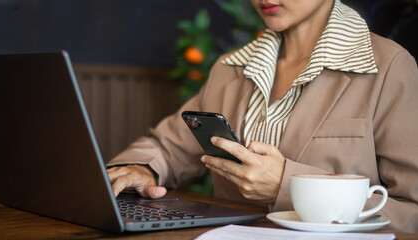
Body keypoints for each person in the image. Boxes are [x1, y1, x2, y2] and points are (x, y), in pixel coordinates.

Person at [106, 0, 418, 233]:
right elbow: (169, 145)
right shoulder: (230, 68)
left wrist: (288, 186)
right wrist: (141, 167)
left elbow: (412, 213)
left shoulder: (389, 67)